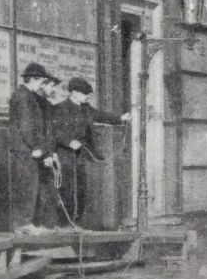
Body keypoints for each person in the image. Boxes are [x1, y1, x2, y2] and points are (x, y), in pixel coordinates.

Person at [54, 78, 129, 226]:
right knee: (67, 190)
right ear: (74, 92)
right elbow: (55, 132)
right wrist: (69, 142)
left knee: (81, 188)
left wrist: (120, 118)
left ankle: (78, 222)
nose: (87, 96)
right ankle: (64, 224)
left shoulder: (86, 108)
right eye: (84, 93)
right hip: (65, 155)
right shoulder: (59, 108)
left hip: (82, 154)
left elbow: (101, 115)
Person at [9, 63, 58, 234]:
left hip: (26, 148)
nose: (42, 85)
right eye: (41, 81)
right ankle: (23, 223)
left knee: (30, 185)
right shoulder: (23, 96)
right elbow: (26, 125)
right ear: (34, 79)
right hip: (24, 149)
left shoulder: (27, 95)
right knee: (25, 185)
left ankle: (25, 223)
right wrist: (36, 146)